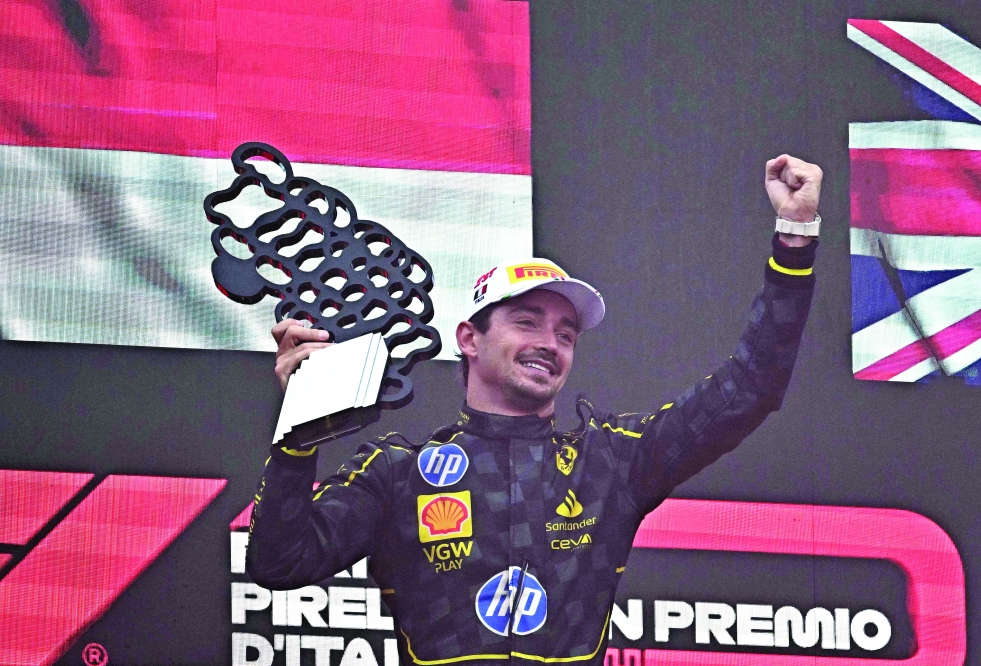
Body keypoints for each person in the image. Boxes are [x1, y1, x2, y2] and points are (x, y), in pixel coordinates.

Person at [247, 155, 823, 665]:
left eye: (566, 333)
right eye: (526, 322)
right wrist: (297, 436)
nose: (550, 342)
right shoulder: (396, 472)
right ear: (469, 339)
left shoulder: (612, 462)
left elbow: (751, 387)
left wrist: (795, 243)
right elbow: (279, 564)